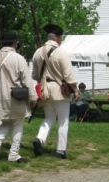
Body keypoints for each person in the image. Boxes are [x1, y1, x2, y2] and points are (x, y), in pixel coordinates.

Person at [0, 31, 37, 163]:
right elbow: (27, 80)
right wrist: (33, 98)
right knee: (18, 124)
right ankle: (13, 154)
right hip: (16, 96)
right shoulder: (18, 58)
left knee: (5, 121)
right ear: (15, 43)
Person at [32, 24, 79, 159]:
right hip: (59, 90)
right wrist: (75, 90)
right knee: (63, 120)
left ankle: (39, 139)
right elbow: (68, 76)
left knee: (49, 118)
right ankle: (61, 150)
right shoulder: (61, 53)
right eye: (61, 37)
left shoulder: (38, 52)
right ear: (57, 38)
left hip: (44, 90)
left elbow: (35, 76)